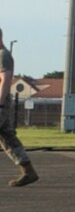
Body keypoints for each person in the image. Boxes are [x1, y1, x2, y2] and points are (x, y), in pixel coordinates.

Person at [0, 31, 34, 187]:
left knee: (7, 137)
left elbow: (5, 80)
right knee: (8, 138)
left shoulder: (3, 55)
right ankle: (28, 171)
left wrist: (0, 103)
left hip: (0, 102)